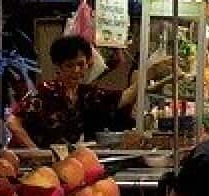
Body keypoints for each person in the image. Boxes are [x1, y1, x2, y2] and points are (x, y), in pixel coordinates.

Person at [8, 35, 151, 149]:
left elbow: (122, 99)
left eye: (80, 64)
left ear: (87, 63)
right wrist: (34, 151)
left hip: (62, 162)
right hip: (33, 164)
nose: (76, 70)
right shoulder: (44, 92)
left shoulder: (86, 94)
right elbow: (13, 121)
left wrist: (148, 74)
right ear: (58, 66)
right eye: (69, 65)